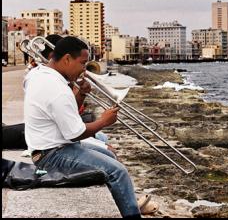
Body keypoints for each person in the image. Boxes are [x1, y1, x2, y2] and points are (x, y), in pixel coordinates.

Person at [24, 36, 141, 218]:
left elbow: (66, 118)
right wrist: (104, 121)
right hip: (52, 155)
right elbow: (75, 132)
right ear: (67, 59)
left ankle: (122, 204)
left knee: (110, 156)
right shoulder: (57, 89)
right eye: (82, 63)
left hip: (50, 147)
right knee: (118, 172)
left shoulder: (39, 74)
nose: (84, 69)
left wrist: (81, 94)